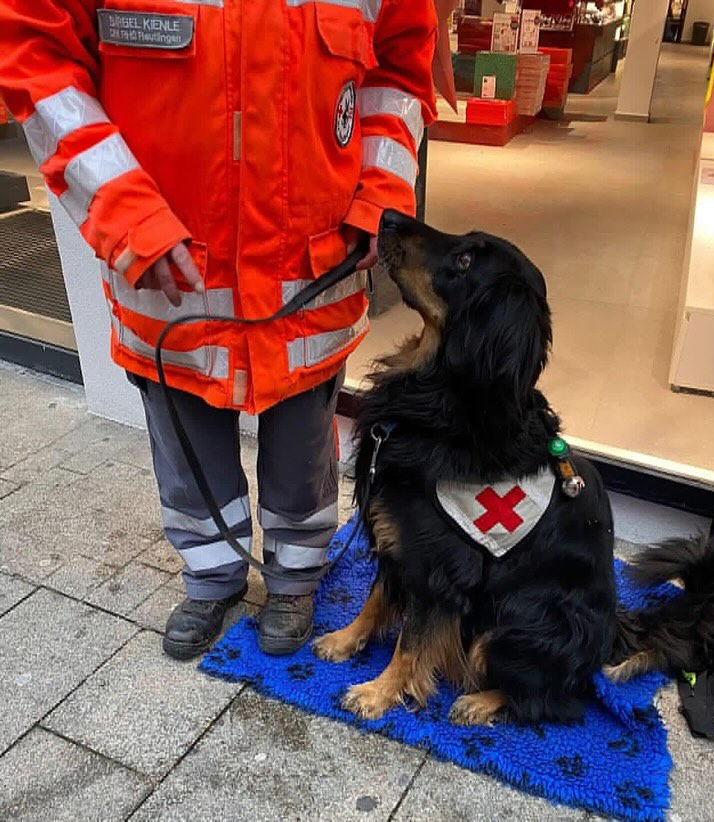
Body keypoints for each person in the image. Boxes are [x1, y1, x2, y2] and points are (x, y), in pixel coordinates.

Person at [0, 0, 437, 659]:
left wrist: (379, 191)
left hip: (310, 274)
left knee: (303, 444)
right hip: (169, 276)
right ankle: (211, 574)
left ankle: (295, 578)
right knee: (185, 444)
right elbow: (38, 62)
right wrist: (122, 209)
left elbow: (400, 70)